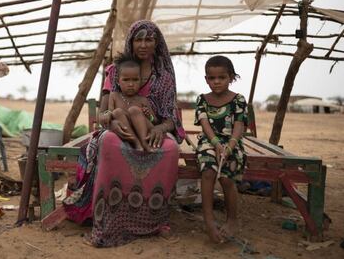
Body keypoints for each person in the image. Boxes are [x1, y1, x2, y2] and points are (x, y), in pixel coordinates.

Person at [63, 20, 185, 247]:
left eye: (149, 39)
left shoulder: (165, 77)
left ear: (157, 42)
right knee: (109, 142)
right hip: (118, 127)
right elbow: (103, 113)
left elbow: (170, 119)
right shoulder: (114, 70)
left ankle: (156, 221)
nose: (143, 44)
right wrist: (111, 123)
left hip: (150, 129)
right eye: (138, 39)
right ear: (130, 41)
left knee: (170, 149)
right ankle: (108, 219)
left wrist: (159, 128)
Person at [194, 55, 247, 243]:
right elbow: (205, 124)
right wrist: (216, 144)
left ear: (231, 77)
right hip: (210, 141)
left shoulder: (238, 100)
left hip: (232, 143)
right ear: (206, 79)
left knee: (226, 177)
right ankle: (209, 221)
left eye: (221, 77)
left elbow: (239, 125)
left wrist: (229, 146)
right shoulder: (202, 100)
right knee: (208, 173)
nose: (216, 82)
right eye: (211, 78)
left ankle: (232, 220)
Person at [102, 53, 157, 152]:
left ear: (140, 81)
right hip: (125, 130)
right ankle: (136, 143)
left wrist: (149, 116)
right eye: (126, 80)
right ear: (118, 81)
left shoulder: (142, 100)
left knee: (134, 110)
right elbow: (110, 111)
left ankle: (144, 143)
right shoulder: (114, 95)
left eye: (135, 80)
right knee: (117, 112)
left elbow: (154, 121)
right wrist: (106, 114)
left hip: (143, 130)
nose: (131, 84)